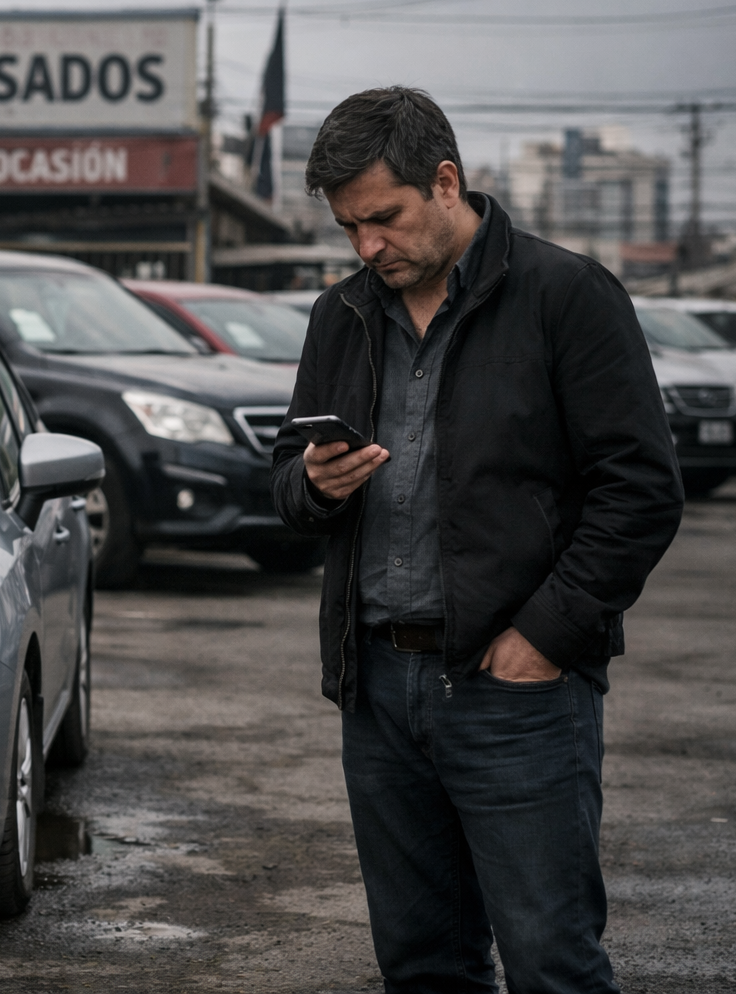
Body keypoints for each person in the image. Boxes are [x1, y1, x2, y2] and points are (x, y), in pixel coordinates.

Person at [271, 87, 683, 993]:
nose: (367, 246)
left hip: (516, 694)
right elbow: (288, 480)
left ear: (446, 182)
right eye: (348, 228)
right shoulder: (339, 315)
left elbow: (641, 489)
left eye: (383, 218)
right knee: (423, 966)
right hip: (377, 691)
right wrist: (311, 484)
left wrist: (546, 637)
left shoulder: (566, 295)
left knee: (553, 964)